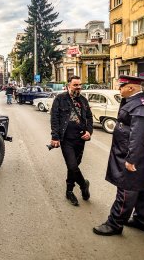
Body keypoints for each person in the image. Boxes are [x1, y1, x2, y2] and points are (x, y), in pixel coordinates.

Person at [93, 75, 144, 236]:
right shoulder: (133, 102)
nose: (119, 89)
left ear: (131, 88)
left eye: (121, 86)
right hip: (127, 151)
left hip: (133, 155)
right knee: (139, 187)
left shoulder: (140, 106)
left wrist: (131, 159)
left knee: (127, 188)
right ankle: (143, 220)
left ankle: (114, 223)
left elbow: (139, 136)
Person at [50, 76, 92, 206]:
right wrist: (55, 136)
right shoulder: (60, 99)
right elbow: (54, 118)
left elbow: (89, 118)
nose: (78, 87)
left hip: (80, 139)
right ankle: (83, 184)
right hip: (66, 139)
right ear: (69, 85)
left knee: (73, 167)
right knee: (72, 165)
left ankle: (69, 191)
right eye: (75, 85)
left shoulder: (84, 100)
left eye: (80, 85)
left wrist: (89, 132)